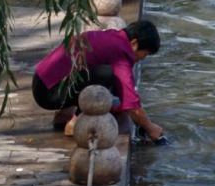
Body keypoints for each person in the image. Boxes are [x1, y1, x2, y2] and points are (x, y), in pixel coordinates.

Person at [32, 20, 165, 141]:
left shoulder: (113, 37)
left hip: (42, 81)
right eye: (145, 54)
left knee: (102, 74)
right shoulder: (121, 51)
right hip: (48, 94)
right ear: (134, 43)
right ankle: (75, 123)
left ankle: (64, 114)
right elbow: (130, 102)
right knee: (107, 74)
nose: (142, 58)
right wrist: (150, 127)